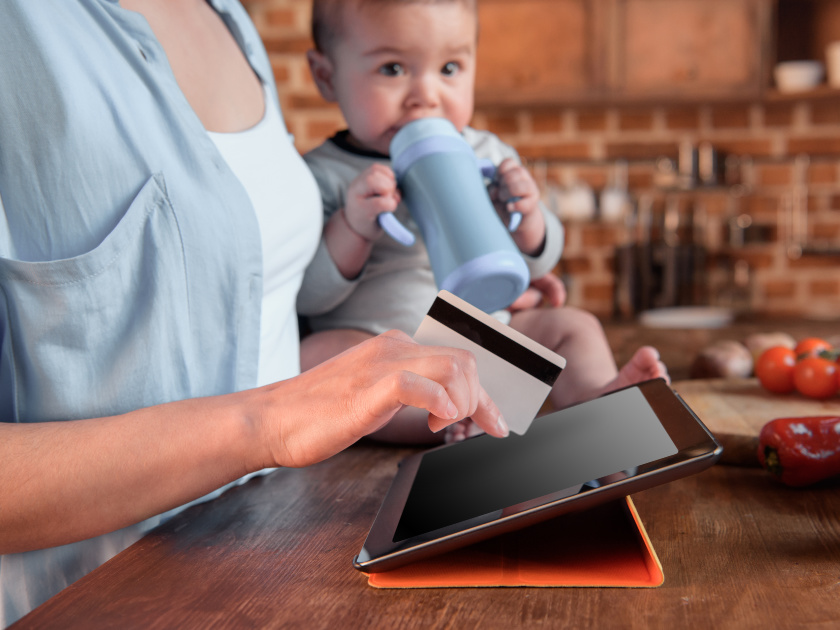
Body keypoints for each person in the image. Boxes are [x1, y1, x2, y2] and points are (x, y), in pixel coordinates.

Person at [0, 1, 509, 625]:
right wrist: (268, 422)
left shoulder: (229, 18)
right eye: (394, 69)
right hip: (97, 604)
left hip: (277, 559)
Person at [297, 0, 669, 443]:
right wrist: (352, 227)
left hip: (489, 343)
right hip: (387, 360)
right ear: (326, 76)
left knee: (576, 325)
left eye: (450, 67)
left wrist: (527, 215)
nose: (427, 95)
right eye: (393, 69)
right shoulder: (322, 175)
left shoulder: (486, 154)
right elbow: (308, 297)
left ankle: (598, 401)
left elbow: (538, 261)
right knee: (313, 356)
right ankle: (446, 420)